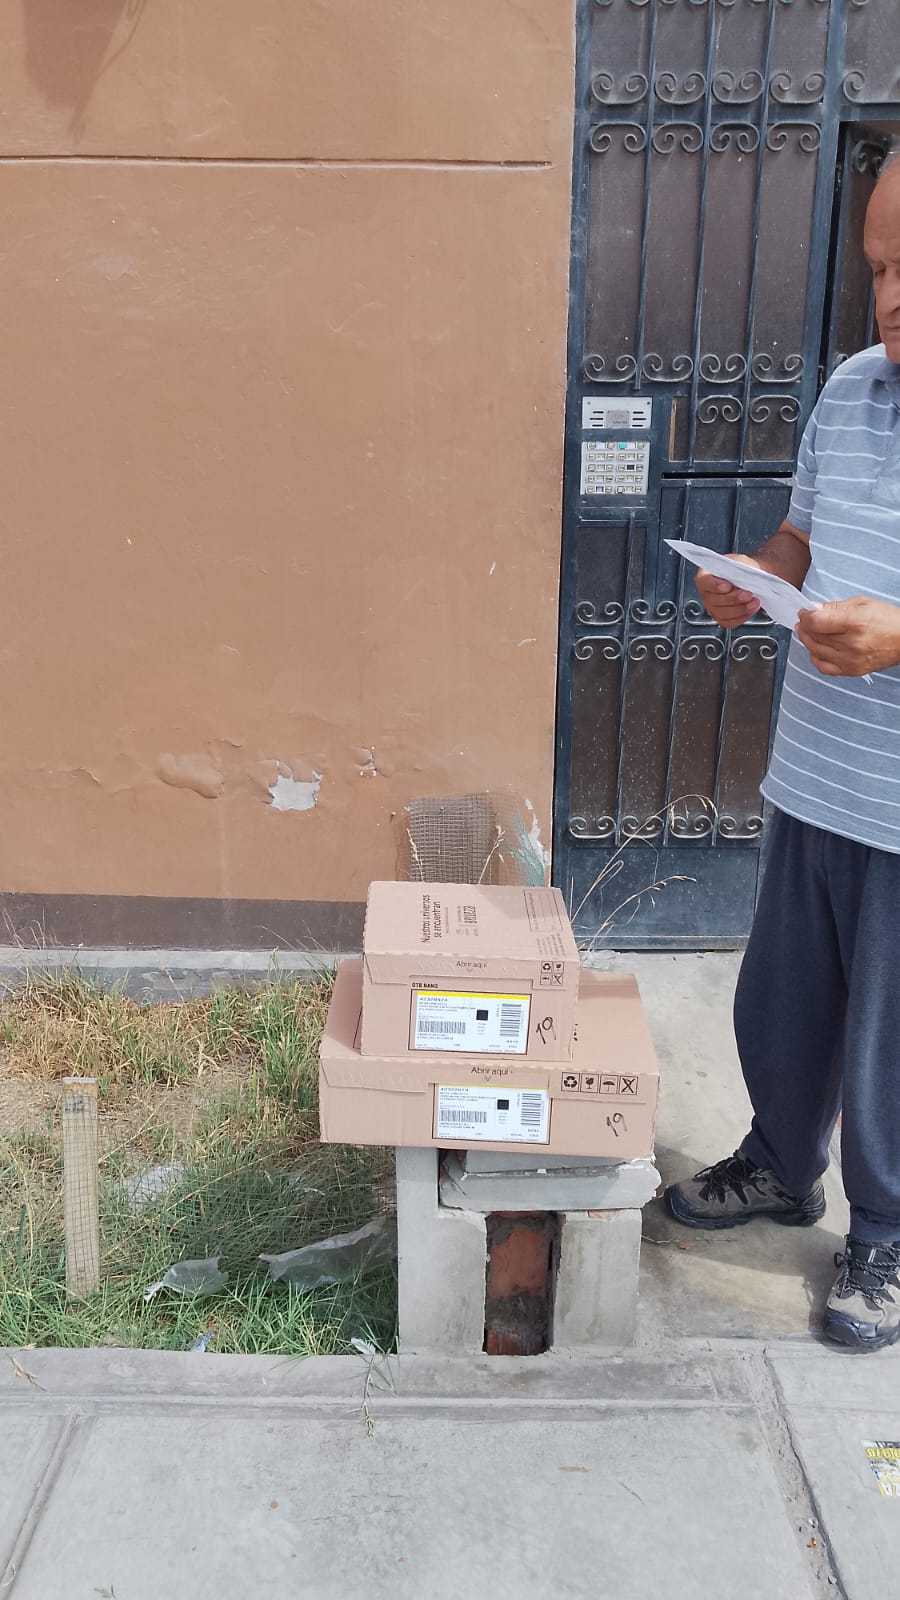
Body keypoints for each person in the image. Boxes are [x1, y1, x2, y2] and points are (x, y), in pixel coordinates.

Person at [664, 158, 900, 1352]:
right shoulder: (851, 391)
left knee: (892, 1041)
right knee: (786, 998)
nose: (892, 295)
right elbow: (802, 536)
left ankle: (887, 1233)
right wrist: (751, 579)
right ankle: (779, 1162)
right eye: (880, 268)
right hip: (816, 774)